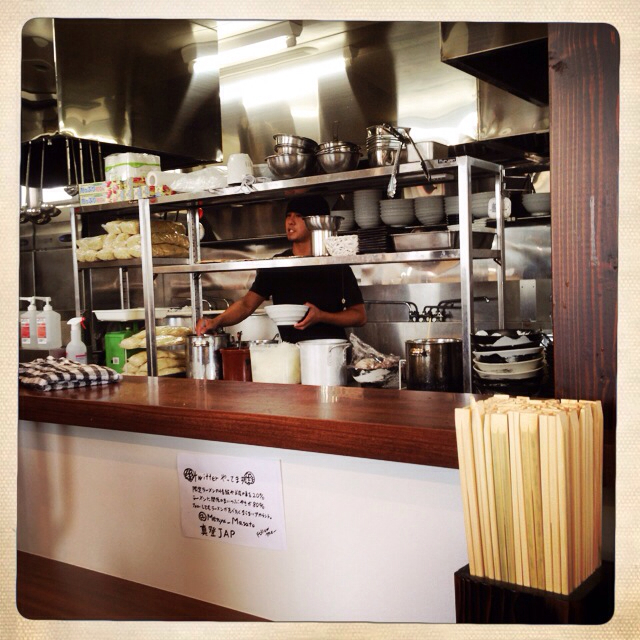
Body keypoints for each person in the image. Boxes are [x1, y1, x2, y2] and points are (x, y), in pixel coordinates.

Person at [195, 195, 366, 342]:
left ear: (316, 222)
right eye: (288, 216)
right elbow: (246, 304)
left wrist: (321, 316)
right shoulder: (278, 265)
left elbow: (359, 316)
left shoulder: (334, 263)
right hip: (291, 354)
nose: (290, 221)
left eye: (298, 216)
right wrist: (215, 321)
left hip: (330, 352)